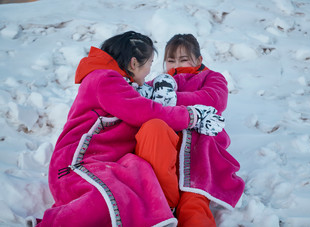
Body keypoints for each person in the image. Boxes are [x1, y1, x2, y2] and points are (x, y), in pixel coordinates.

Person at [25, 31, 226, 227]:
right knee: (114, 195)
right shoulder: (105, 80)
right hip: (75, 166)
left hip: (106, 163)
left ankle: (162, 210)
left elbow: (213, 98)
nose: (149, 71)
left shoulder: (122, 84)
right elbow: (146, 111)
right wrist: (192, 115)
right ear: (133, 63)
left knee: (138, 181)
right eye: (149, 64)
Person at [136, 34, 245, 227]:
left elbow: (214, 99)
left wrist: (173, 100)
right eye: (170, 60)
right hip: (163, 152)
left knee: (194, 202)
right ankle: (162, 211)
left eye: (184, 59)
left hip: (199, 151)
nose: (176, 64)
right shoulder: (156, 84)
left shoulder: (211, 77)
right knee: (154, 197)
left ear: (199, 60)